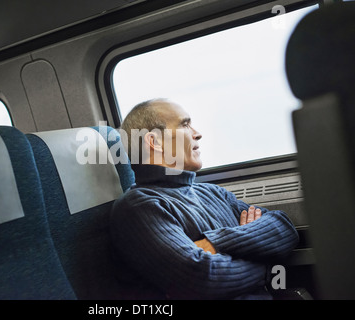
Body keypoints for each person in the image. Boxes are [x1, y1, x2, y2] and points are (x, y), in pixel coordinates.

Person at [109, 98, 299, 300]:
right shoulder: (139, 207)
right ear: (154, 142)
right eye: (185, 124)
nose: (197, 133)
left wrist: (214, 243)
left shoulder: (213, 192)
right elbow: (202, 279)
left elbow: (284, 228)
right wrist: (266, 268)